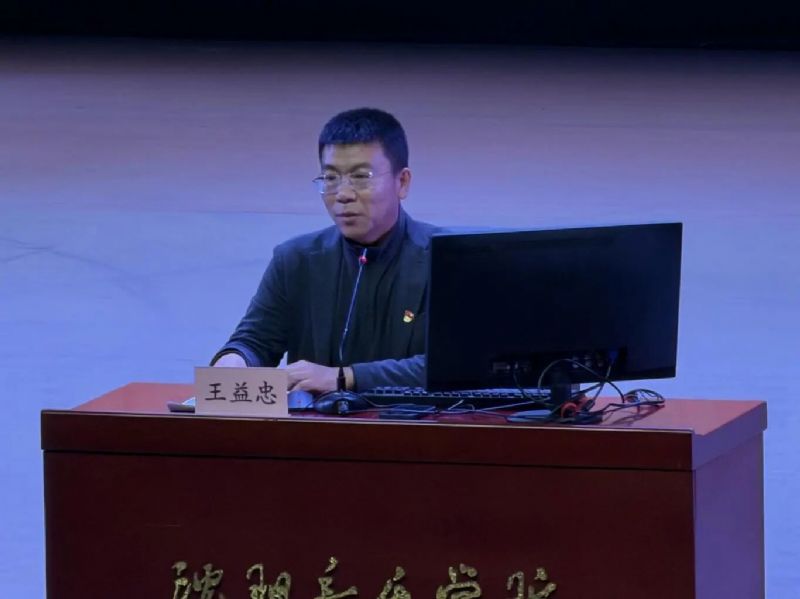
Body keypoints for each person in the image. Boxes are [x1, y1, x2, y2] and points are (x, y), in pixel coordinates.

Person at [211, 107, 438, 394]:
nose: (343, 194)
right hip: (314, 422)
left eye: (361, 177)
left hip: (415, 420)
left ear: (401, 182)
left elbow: (455, 366)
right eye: (330, 178)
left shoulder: (444, 259)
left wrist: (344, 378)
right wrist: (235, 361)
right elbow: (255, 341)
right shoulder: (296, 259)